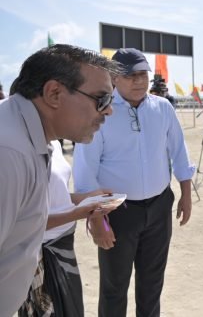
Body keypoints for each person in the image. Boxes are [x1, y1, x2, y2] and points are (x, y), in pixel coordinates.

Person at [73, 48, 195, 317]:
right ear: (114, 78)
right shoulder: (100, 113)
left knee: (152, 284)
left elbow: (179, 152)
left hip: (159, 208)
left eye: (143, 74)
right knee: (114, 287)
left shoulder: (162, 108)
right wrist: (97, 221)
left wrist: (185, 194)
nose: (139, 81)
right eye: (131, 76)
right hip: (116, 213)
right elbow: (84, 174)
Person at [0, 44, 117, 317]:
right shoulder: (9, 152)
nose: (109, 112)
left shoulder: (33, 136)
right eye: (102, 99)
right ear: (54, 93)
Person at [18, 141, 115, 317]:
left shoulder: (53, 141)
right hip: (40, 255)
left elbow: (56, 197)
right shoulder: (18, 146)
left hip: (63, 249)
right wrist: (79, 213)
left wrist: (88, 198)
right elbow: (23, 221)